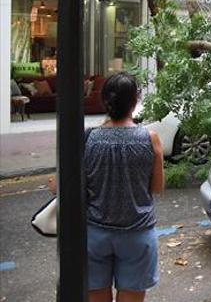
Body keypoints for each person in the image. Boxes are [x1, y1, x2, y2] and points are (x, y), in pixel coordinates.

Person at [49, 73, 164, 302]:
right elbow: (157, 187)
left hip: (94, 235)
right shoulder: (150, 139)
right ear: (135, 101)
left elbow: (60, 186)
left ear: (105, 101)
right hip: (137, 234)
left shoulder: (89, 138)